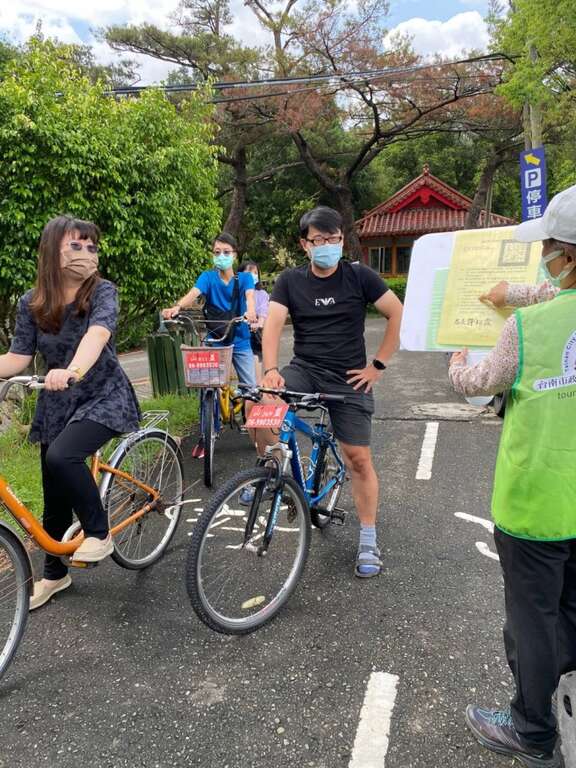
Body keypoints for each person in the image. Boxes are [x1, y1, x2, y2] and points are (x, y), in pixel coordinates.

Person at [449, 184, 576, 768]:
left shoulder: (526, 330)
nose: (544, 255)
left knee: (530, 622)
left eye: (549, 245)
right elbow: (550, 289)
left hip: (536, 504)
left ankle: (531, 729)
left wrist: (455, 354)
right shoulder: (541, 305)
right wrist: (514, 291)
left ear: (567, 254)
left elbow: (476, 384)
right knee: (568, 609)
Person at [0, 215, 141, 610]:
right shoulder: (32, 302)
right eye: (75, 246)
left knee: (64, 456)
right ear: (52, 250)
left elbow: (97, 335)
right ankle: (55, 575)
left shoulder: (102, 292)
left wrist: (73, 370)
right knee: (54, 494)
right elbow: (17, 358)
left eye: (91, 247)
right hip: (57, 400)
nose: (86, 254)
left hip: (101, 392)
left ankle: (99, 531)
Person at [257, 205, 403, 578]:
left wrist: (378, 366)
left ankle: (368, 538)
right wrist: (271, 371)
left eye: (333, 239)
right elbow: (272, 325)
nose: (327, 246)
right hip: (304, 370)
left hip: (349, 377)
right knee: (262, 404)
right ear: (304, 245)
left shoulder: (359, 276)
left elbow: (396, 312)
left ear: (341, 239)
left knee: (357, 458)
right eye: (319, 240)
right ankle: (271, 472)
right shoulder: (290, 280)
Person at [163, 233, 258, 455]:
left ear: (234, 255)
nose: (221, 256)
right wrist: (177, 307)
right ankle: (206, 436)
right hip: (215, 340)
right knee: (206, 387)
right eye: (217, 253)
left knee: (251, 389)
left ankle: (256, 433)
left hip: (241, 339)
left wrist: (251, 311)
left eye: (226, 252)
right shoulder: (207, 277)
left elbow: (250, 297)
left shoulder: (244, 279)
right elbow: (193, 294)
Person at [238, 260, 270, 382]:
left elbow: (263, 313)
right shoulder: (236, 294)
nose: (252, 275)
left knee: (255, 359)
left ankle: (256, 390)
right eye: (249, 272)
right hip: (238, 333)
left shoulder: (261, 294)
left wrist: (258, 323)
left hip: (253, 334)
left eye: (255, 272)